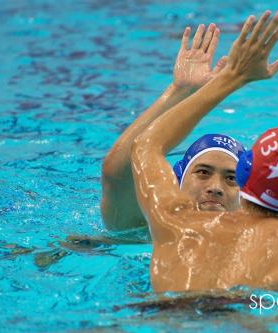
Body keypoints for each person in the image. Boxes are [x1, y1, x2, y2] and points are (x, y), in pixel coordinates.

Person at [131, 10, 278, 292]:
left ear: (245, 171)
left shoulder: (173, 220)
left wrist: (234, 77)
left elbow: (145, 144)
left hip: (165, 317)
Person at [101, 22, 246, 232]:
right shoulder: (146, 231)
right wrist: (181, 91)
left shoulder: (264, 242)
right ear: (177, 181)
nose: (215, 188)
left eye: (231, 179)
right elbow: (117, 173)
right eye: (203, 172)